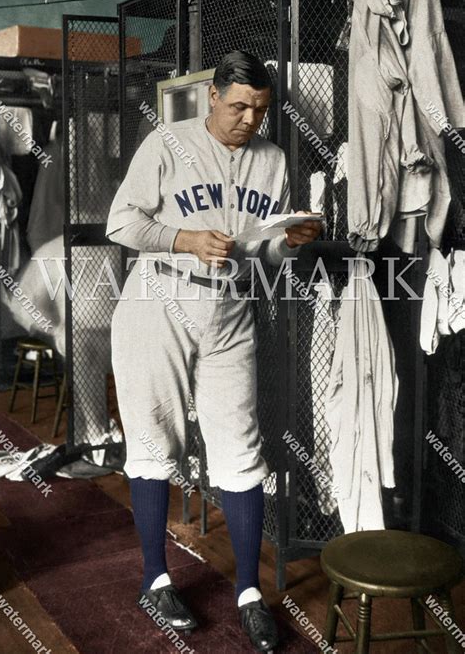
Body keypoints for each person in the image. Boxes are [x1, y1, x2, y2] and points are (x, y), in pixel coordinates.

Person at [106, 50, 322, 652]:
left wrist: (290, 241)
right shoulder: (167, 143)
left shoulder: (273, 160)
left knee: (241, 447)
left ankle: (248, 592)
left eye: (259, 110)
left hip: (230, 308)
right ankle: (155, 577)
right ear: (213, 97)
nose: (249, 120)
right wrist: (184, 238)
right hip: (158, 302)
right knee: (155, 441)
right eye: (238, 106)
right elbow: (120, 223)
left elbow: (263, 254)